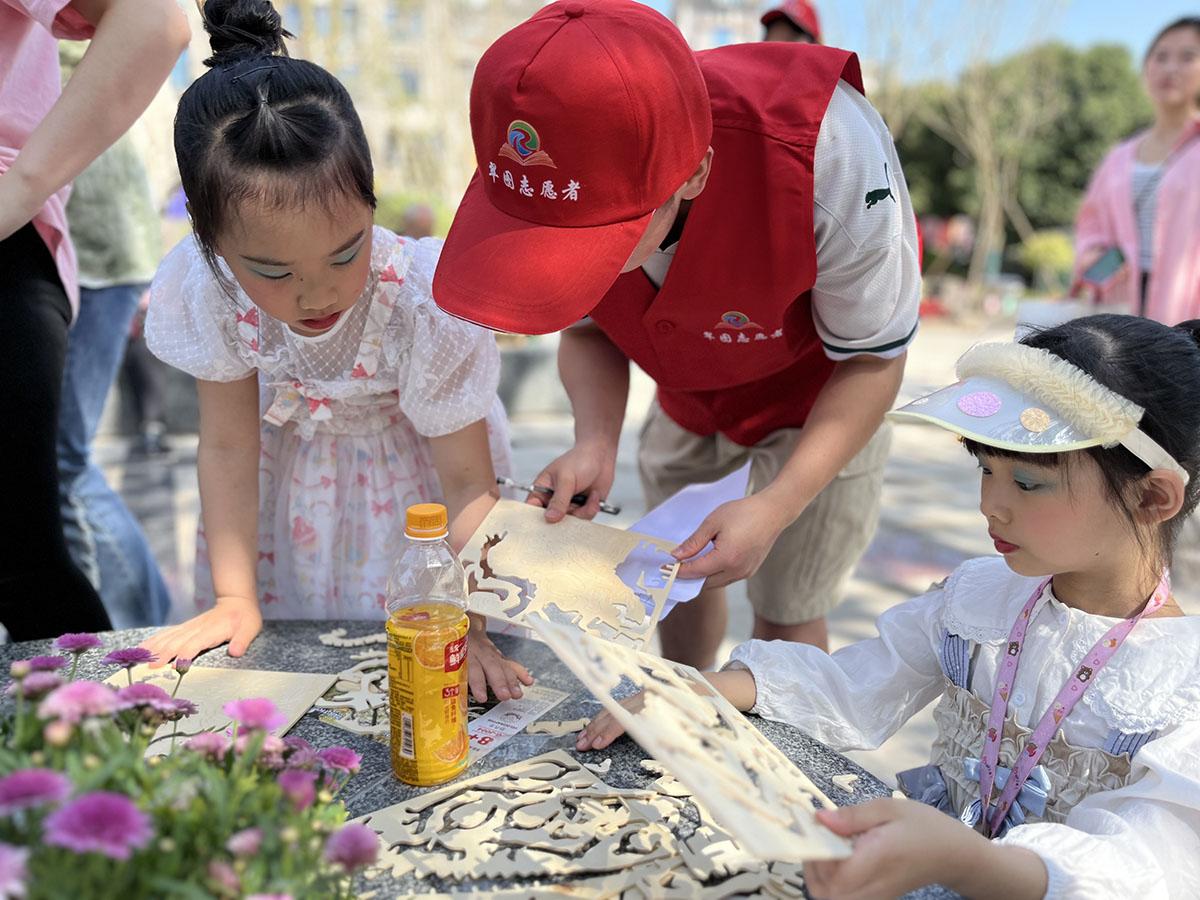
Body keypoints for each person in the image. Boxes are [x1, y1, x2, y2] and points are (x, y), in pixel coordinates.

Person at [581, 314, 1200, 898]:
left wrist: (969, 859)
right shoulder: (982, 597)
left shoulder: (1180, 681)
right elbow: (859, 683)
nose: (992, 505)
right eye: (987, 469)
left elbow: (1147, 860)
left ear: (1152, 498)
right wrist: (705, 688)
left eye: (1028, 482)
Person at [433, 0, 920, 664]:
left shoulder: (829, 153)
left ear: (694, 172)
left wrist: (777, 505)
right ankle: (679, 718)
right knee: (674, 582)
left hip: (820, 400)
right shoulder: (547, 158)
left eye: (597, 243)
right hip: (685, 396)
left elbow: (873, 360)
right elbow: (587, 332)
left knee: (787, 609)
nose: (573, 266)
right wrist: (594, 442)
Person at [139, 0, 529, 703]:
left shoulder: (418, 301)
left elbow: (469, 483)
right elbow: (228, 447)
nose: (316, 294)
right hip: (289, 500)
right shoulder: (211, 291)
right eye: (275, 272)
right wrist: (234, 595)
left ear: (371, 203)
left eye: (344, 254)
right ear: (208, 237)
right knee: (310, 684)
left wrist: (465, 620)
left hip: (419, 510)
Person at [0, 0, 189, 640]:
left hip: (75, 260)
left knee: (64, 472)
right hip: (93, 259)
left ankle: (135, 636)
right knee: (68, 470)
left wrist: (20, 192)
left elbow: (153, 19)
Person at [56, 40, 172, 629]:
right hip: (96, 247)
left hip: (93, 252)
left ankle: (131, 634)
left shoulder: (62, 37)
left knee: (64, 459)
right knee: (63, 459)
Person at [1073, 17, 1200, 321]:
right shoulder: (1118, 157)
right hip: (1119, 302)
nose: (1170, 68)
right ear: (1146, 69)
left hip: (1186, 305)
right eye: (1161, 56)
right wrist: (1093, 255)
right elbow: (1089, 224)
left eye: (1188, 56)